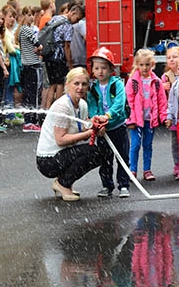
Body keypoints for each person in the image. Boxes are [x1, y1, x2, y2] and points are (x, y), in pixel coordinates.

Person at [36, 67, 109, 202]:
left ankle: (65, 182)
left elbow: (83, 125)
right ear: (67, 85)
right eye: (76, 83)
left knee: (100, 152)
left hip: (61, 154)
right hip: (48, 161)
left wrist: (96, 123)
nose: (80, 87)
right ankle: (63, 184)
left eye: (84, 84)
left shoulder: (82, 104)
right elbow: (60, 140)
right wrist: (89, 132)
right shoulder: (63, 106)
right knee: (93, 153)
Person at [86, 47, 130, 198]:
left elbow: (119, 101)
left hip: (118, 126)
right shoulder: (93, 88)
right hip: (102, 130)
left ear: (111, 69)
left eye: (104, 68)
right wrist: (96, 119)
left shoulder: (116, 84)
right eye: (96, 68)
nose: (100, 71)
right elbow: (91, 105)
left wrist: (108, 115)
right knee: (105, 158)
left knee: (122, 156)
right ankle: (107, 185)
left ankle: (124, 185)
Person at [125, 49, 167, 181]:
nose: (144, 67)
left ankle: (147, 170)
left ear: (152, 64)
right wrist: (130, 119)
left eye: (147, 64)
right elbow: (128, 102)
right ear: (137, 65)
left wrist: (164, 117)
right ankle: (132, 170)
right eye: (141, 65)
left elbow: (162, 101)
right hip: (136, 120)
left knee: (148, 144)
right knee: (135, 145)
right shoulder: (133, 82)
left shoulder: (156, 82)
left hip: (150, 119)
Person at [43, 3, 85, 110]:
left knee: (52, 85)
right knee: (60, 84)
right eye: (77, 18)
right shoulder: (68, 25)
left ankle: (47, 110)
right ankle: (58, 110)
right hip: (58, 58)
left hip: (49, 56)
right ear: (73, 13)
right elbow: (67, 47)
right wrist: (70, 64)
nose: (76, 21)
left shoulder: (56, 18)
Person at [16, 6, 43, 132]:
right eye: (29, 14)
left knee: (28, 94)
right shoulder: (27, 30)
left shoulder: (21, 30)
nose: (32, 17)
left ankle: (28, 120)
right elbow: (39, 45)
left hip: (26, 65)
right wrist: (38, 48)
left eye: (33, 15)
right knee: (34, 95)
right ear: (25, 15)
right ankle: (33, 120)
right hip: (33, 65)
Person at [161, 46, 179, 176]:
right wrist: (162, 87)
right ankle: (178, 165)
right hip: (174, 114)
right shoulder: (165, 77)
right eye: (169, 57)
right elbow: (159, 95)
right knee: (176, 141)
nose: (171, 60)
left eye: (175, 57)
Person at [2, 5, 23, 125]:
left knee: (10, 89)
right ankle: (9, 115)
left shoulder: (10, 31)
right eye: (10, 16)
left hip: (11, 62)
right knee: (8, 89)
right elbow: (11, 48)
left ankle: (10, 113)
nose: (12, 19)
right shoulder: (5, 31)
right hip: (8, 62)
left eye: (14, 17)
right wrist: (17, 48)